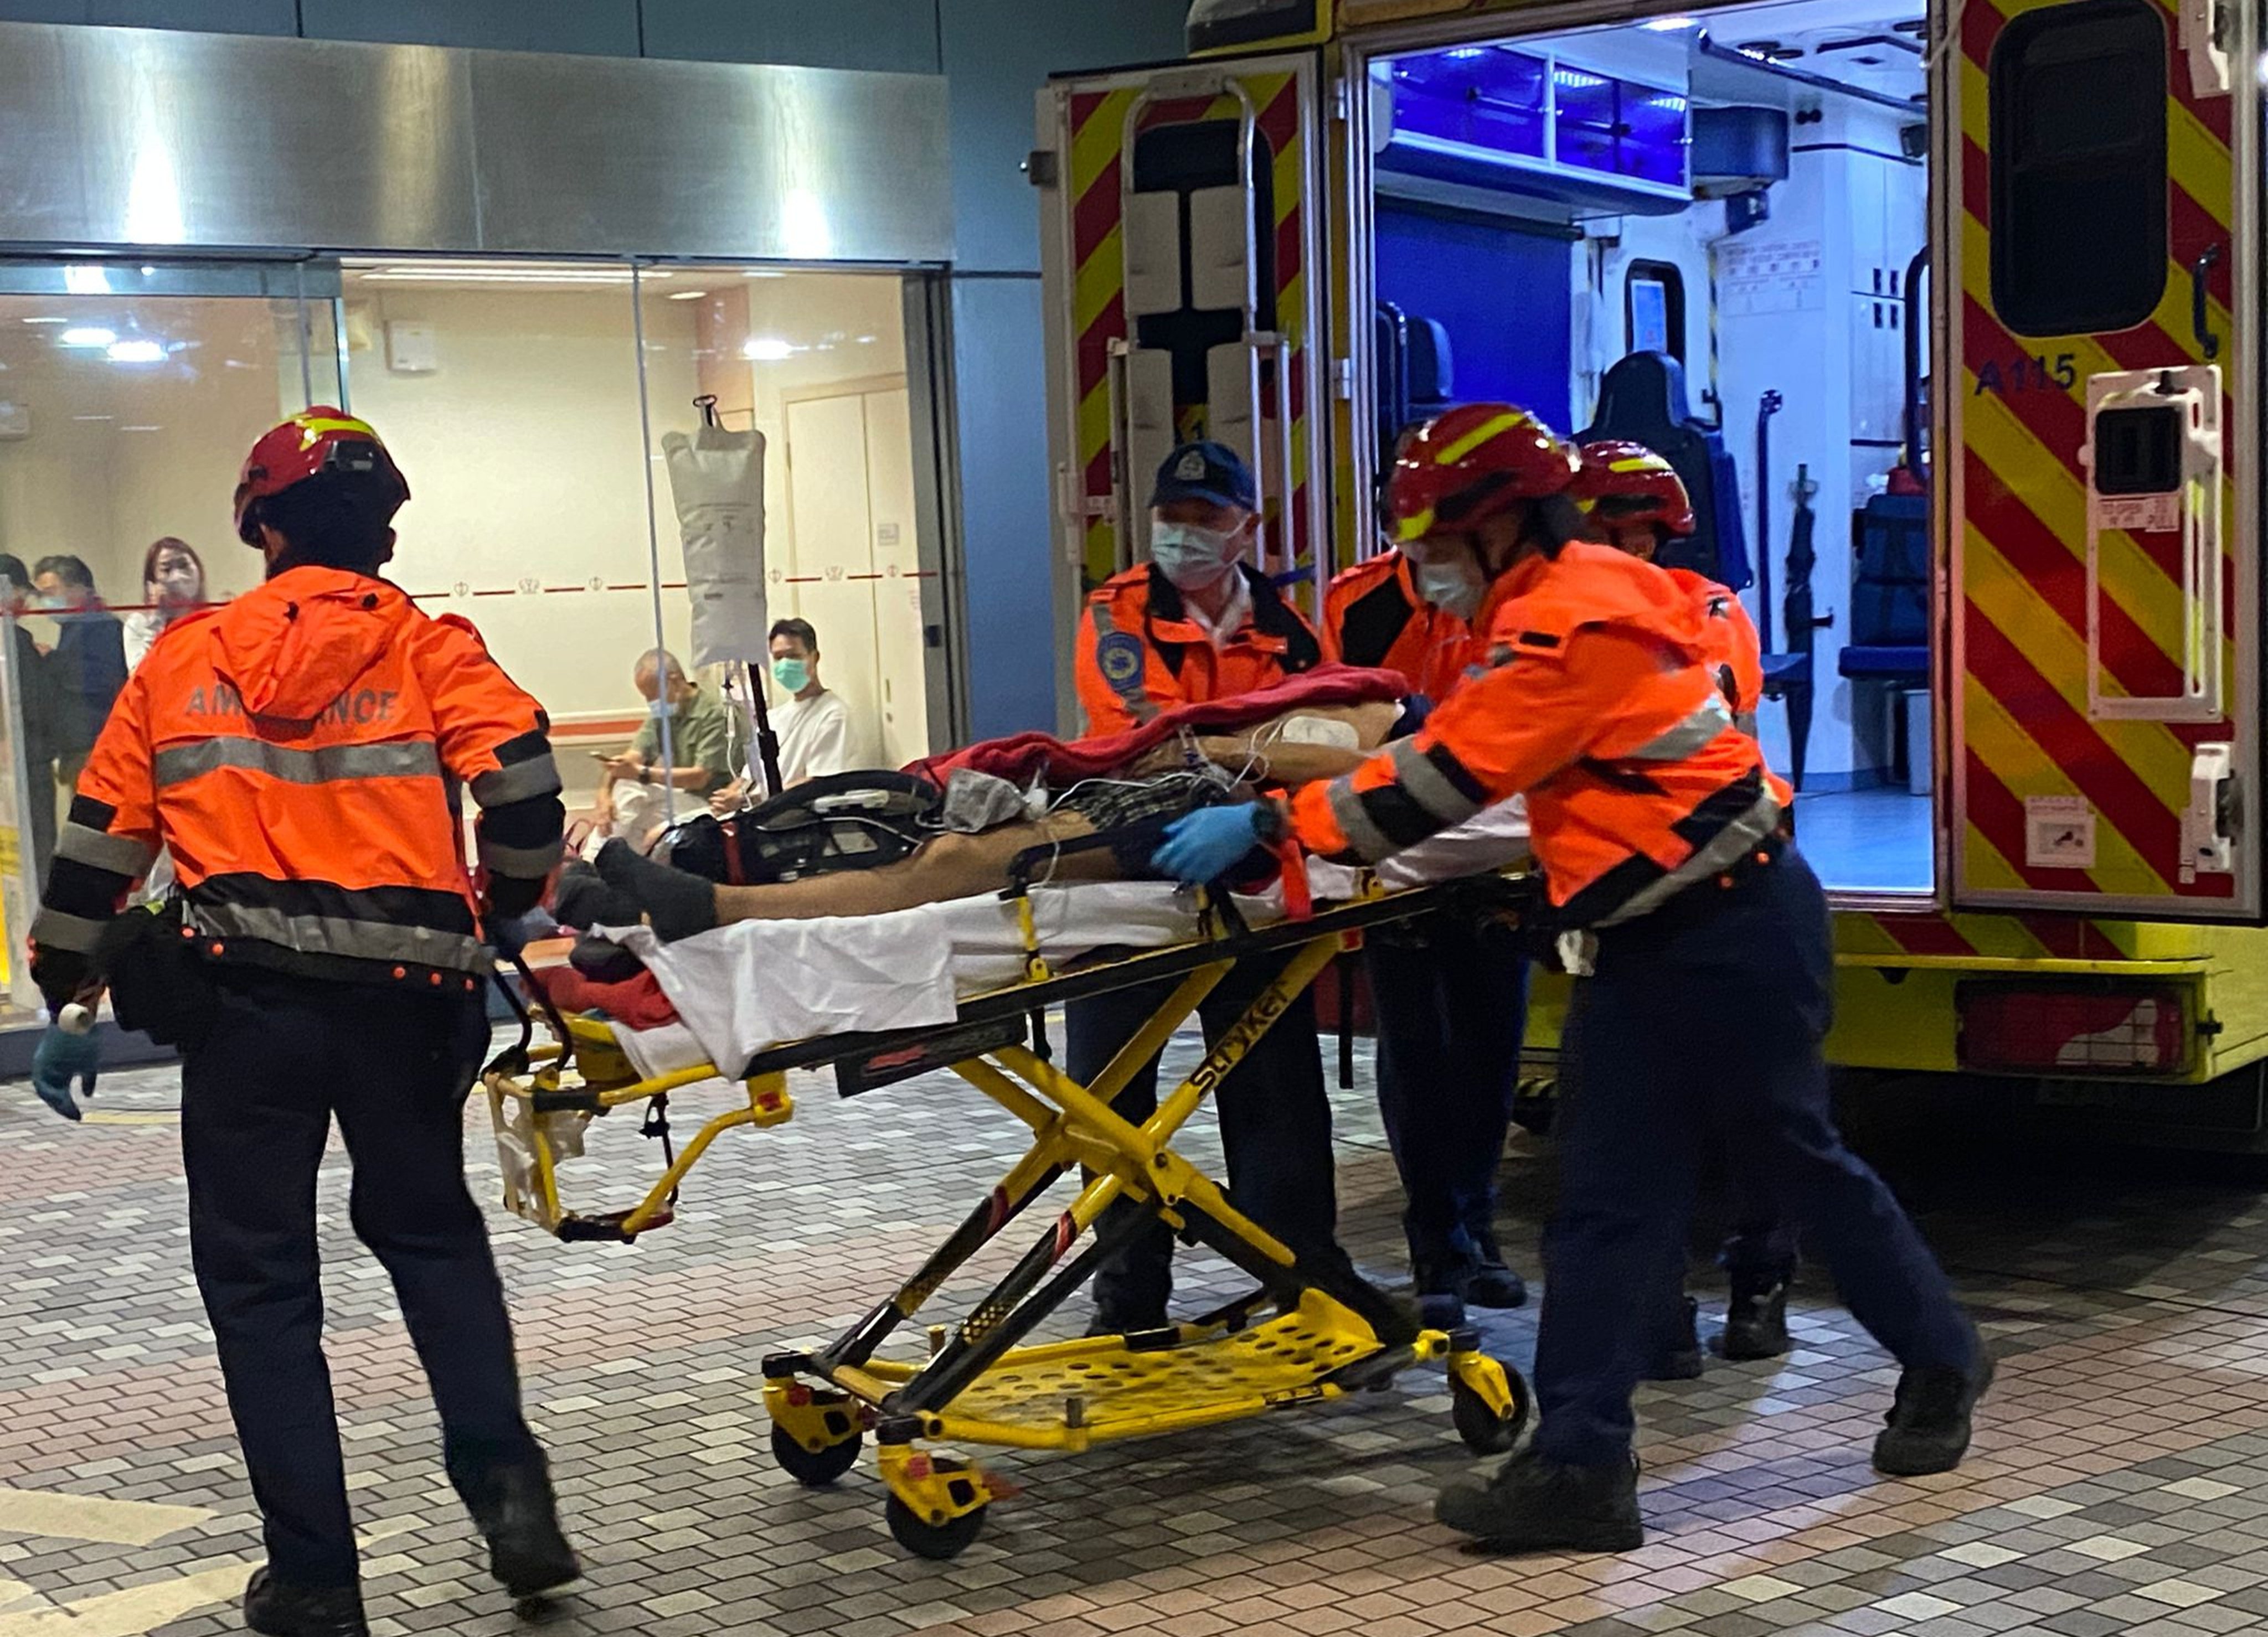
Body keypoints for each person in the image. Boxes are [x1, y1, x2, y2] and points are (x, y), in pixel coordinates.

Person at [1149, 404, 1987, 1552]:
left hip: (1730, 929)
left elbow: (1438, 779)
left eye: (1437, 537)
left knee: (1794, 1159)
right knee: (1604, 1197)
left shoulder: (1573, 622)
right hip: (1644, 939)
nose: (1420, 562)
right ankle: (1578, 1461)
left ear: (1502, 524)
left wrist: (1270, 818)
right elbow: (1465, 751)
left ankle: (1941, 1354)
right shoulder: (1556, 601)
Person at [27, 408, 579, 1636]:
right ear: (383, 528)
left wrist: (67, 988)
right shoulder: (434, 645)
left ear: (258, 524)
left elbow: (96, 850)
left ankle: (317, 1578)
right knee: (433, 1242)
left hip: (245, 1016)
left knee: (262, 1281)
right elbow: (528, 789)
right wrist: (503, 904)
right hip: (408, 1010)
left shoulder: (182, 658)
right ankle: (512, 1499)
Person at [1065, 441, 1380, 1338]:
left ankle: (1299, 1271)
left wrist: (1266, 787)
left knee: (1274, 1085)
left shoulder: (1288, 630)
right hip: (1131, 869)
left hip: (1249, 874)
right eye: (1172, 517)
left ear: (1247, 527)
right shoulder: (1117, 613)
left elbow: (1340, 739)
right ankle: (1127, 1293)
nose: (1184, 535)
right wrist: (1272, 764)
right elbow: (1149, 743)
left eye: (1206, 519)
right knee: (1109, 1097)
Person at [1575, 440, 1793, 1369]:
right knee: (1670, 1114)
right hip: (1669, 880)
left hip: (1706, 876)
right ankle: (1687, 1309)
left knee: (1721, 1107)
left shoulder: (1684, 612)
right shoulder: (1656, 608)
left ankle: (1741, 1292)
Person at [1322, 534, 1528, 1326]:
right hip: (1400, 850)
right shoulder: (1361, 599)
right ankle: (1436, 1242)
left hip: (1493, 848)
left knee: (1489, 1052)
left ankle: (1478, 1225)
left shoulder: (1514, 588)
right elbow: (1346, 716)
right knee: (1416, 1057)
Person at [573, 648, 734, 854]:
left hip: (712, 804)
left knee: (632, 788)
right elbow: (628, 762)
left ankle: (592, 860)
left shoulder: (713, 713)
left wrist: (642, 774)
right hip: (682, 800)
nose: (651, 704)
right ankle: (612, 869)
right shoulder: (662, 715)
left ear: (674, 681)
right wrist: (603, 797)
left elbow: (700, 778)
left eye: (653, 695)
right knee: (630, 816)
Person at [707, 617, 865, 811]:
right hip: (753, 812)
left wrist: (747, 800)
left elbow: (819, 783)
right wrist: (727, 798)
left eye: (793, 656)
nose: (785, 664)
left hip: (790, 819)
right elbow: (748, 778)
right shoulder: (774, 718)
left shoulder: (833, 715)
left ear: (814, 658)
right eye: (779, 658)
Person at [32, 554, 126, 805]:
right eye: (40, 594)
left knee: (95, 827)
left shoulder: (102, 626)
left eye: (51, 591)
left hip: (96, 746)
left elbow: (100, 680)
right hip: (76, 748)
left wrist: (53, 660)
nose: (45, 601)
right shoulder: (73, 628)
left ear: (78, 589)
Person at [0, 554, 58, 885]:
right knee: (37, 845)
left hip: (26, 756)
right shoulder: (16, 642)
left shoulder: (20, 641)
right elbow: (34, 703)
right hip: (28, 758)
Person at [124, 536, 209, 671]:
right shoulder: (139, 624)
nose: (177, 577)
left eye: (184, 566)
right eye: (167, 569)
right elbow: (139, 678)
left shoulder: (212, 620)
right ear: (152, 583)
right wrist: (156, 619)